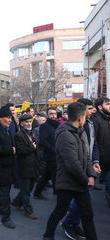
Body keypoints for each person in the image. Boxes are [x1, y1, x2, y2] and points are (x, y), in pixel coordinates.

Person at [43, 102, 97, 240]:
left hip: (81, 182)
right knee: (59, 211)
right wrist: (87, 180)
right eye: (85, 116)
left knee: (87, 215)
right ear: (80, 117)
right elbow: (72, 164)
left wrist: (91, 175)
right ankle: (48, 236)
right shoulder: (65, 135)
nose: (87, 118)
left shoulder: (80, 131)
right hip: (67, 183)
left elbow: (87, 156)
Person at [60, 98, 101, 240]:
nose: (93, 110)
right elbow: (72, 159)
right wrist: (86, 177)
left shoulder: (90, 124)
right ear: (80, 112)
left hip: (88, 167)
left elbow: (93, 145)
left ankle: (73, 223)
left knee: (83, 203)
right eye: (90, 108)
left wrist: (95, 162)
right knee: (81, 202)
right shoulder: (70, 129)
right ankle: (69, 223)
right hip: (79, 170)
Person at [11, 115, 39, 220]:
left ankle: (16, 201)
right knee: (26, 190)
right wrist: (32, 147)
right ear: (21, 123)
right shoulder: (18, 135)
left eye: (30, 121)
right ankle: (28, 211)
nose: (28, 123)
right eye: (26, 122)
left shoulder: (34, 133)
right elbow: (21, 151)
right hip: (24, 166)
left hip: (34, 165)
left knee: (30, 187)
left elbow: (37, 149)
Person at [34, 107, 59, 200]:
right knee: (55, 177)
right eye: (51, 114)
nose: (53, 115)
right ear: (47, 115)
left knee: (46, 176)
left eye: (55, 113)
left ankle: (37, 192)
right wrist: (53, 149)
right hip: (50, 156)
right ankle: (59, 196)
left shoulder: (57, 125)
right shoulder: (44, 126)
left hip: (56, 155)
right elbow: (43, 141)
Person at [91, 97, 110, 206]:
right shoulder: (95, 121)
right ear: (100, 107)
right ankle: (70, 219)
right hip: (97, 161)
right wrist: (95, 160)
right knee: (86, 189)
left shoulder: (107, 119)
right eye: (108, 104)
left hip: (107, 161)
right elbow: (95, 143)